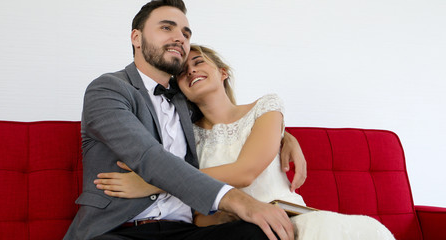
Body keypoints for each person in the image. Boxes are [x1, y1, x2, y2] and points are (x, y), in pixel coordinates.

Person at [96, 44, 396, 240]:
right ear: (180, 91)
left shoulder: (265, 107)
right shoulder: (187, 137)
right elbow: (198, 215)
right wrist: (223, 214)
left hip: (289, 218)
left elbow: (246, 171)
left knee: (359, 232)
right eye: (183, 73)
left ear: (223, 72)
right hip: (236, 229)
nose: (192, 71)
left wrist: (158, 181)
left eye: (199, 63)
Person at [64, 0, 305, 239]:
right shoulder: (108, 89)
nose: (180, 37)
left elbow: (228, 120)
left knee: (260, 233)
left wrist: (283, 135)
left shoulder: (185, 98)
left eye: (185, 33)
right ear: (136, 38)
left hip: (186, 231)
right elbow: (149, 157)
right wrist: (238, 201)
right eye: (167, 28)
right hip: (119, 230)